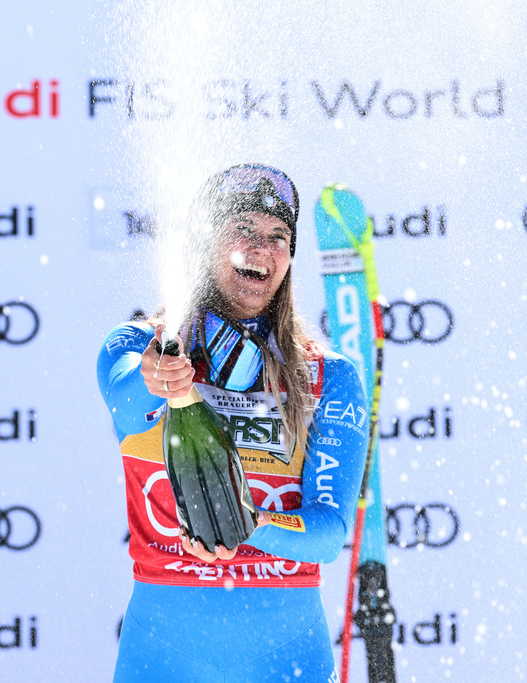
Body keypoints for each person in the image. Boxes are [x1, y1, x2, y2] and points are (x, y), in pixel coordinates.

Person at [97, 163, 368, 682]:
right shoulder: (136, 346)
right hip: (163, 656)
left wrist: (252, 523)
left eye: (278, 236)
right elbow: (127, 406)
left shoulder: (327, 376)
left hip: (288, 658)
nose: (261, 249)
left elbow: (327, 533)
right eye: (242, 229)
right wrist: (155, 378)